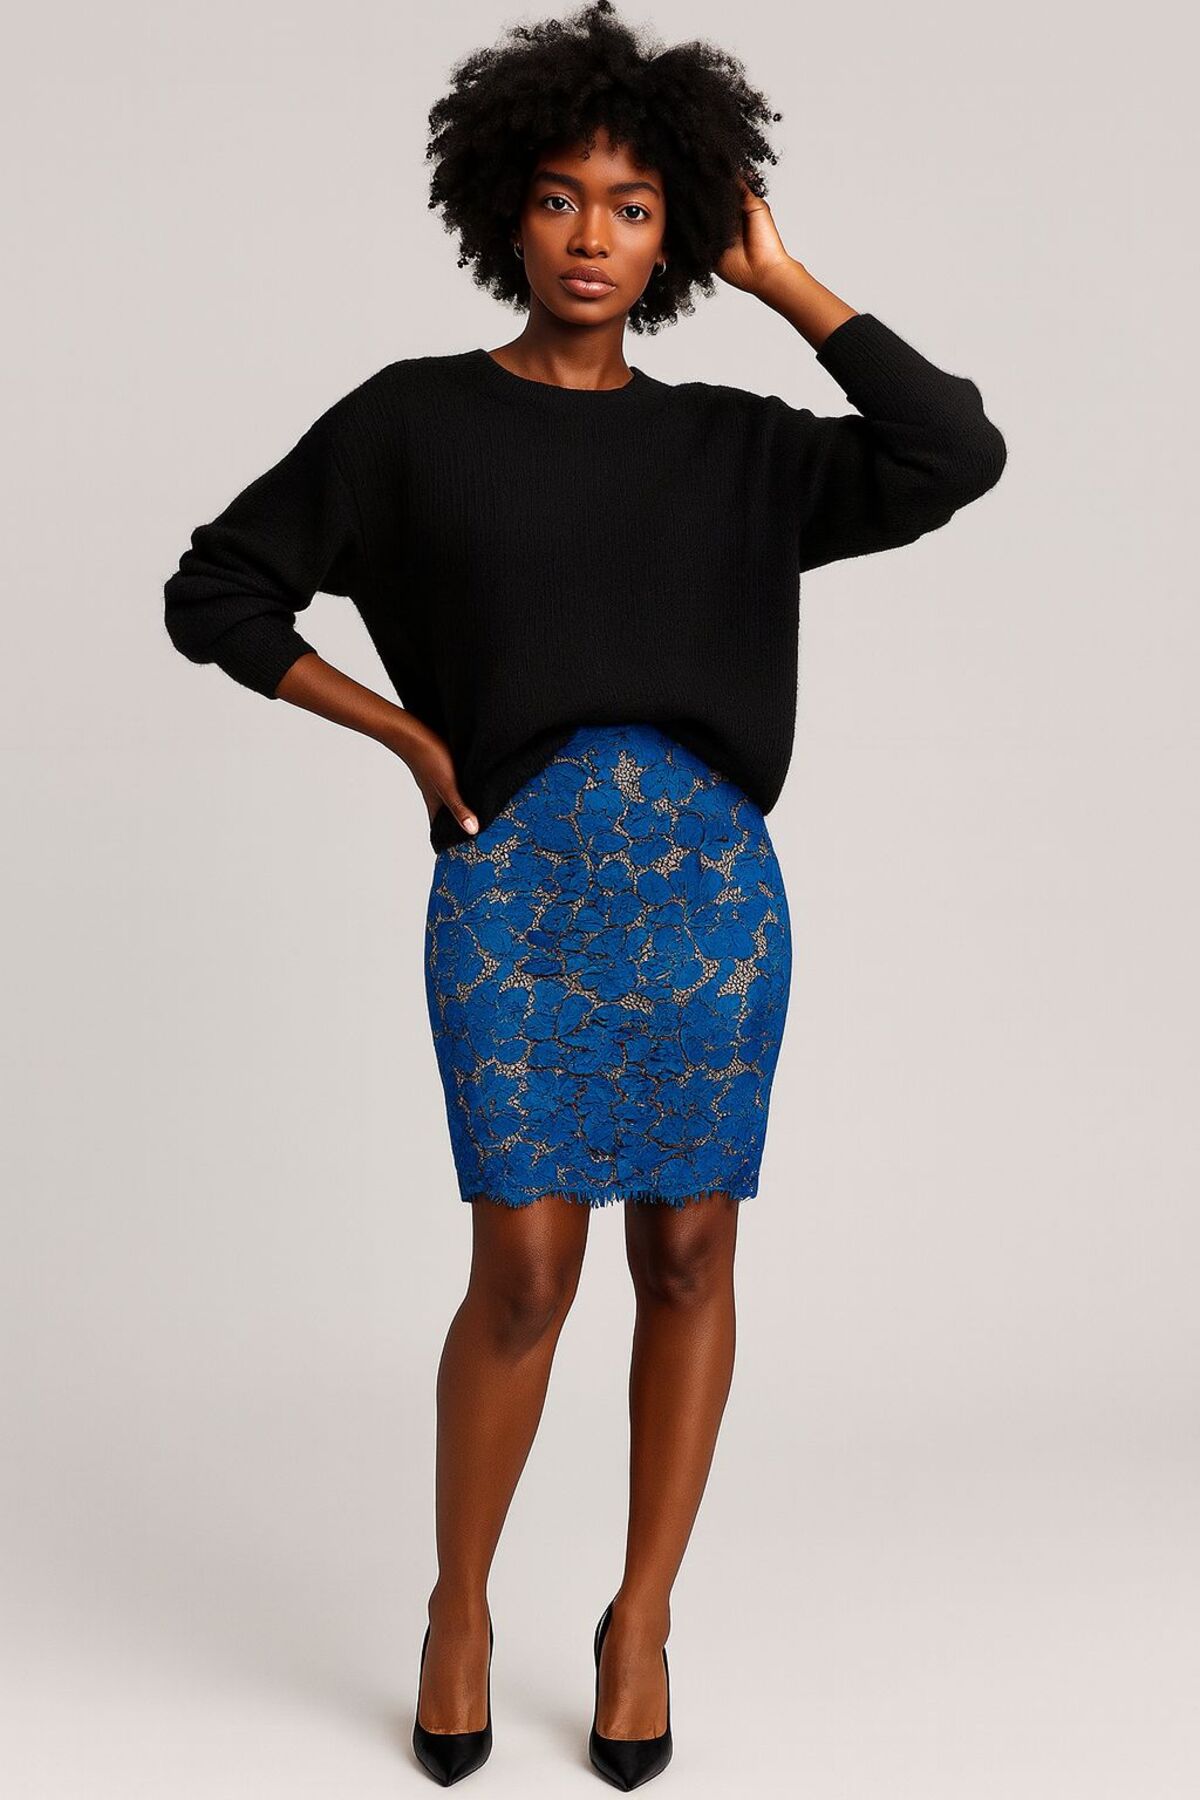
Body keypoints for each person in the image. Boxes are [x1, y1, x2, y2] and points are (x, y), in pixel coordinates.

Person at [162, 1, 1006, 1787]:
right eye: (560, 199)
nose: (593, 238)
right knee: (527, 1271)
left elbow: (953, 453)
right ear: (505, 211)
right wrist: (404, 732)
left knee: (690, 1251)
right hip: (518, 896)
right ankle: (460, 1607)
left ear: (678, 226)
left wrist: (783, 280)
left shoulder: (741, 447)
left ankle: (641, 1622)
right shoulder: (411, 424)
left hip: (712, 896)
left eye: (635, 205)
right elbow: (217, 590)